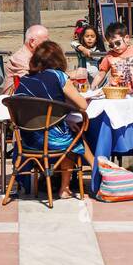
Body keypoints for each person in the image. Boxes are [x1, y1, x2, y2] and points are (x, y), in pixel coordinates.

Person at [13, 40, 88, 199]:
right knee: (74, 138)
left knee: (67, 130)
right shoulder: (58, 76)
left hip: (27, 140)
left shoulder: (25, 80)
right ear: (58, 59)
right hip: (52, 140)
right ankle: (65, 188)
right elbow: (82, 105)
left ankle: (48, 178)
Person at [93, 22, 133, 94]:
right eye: (111, 45)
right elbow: (101, 74)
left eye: (117, 43)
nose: (115, 47)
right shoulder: (110, 55)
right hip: (116, 93)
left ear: (126, 38)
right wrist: (92, 88)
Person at [3, 24, 49, 93]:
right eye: (45, 42)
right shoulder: (20, 59)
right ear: (32, 42)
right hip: (16, 101)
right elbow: (33, 82)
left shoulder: (36, 56)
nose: (48, 45)